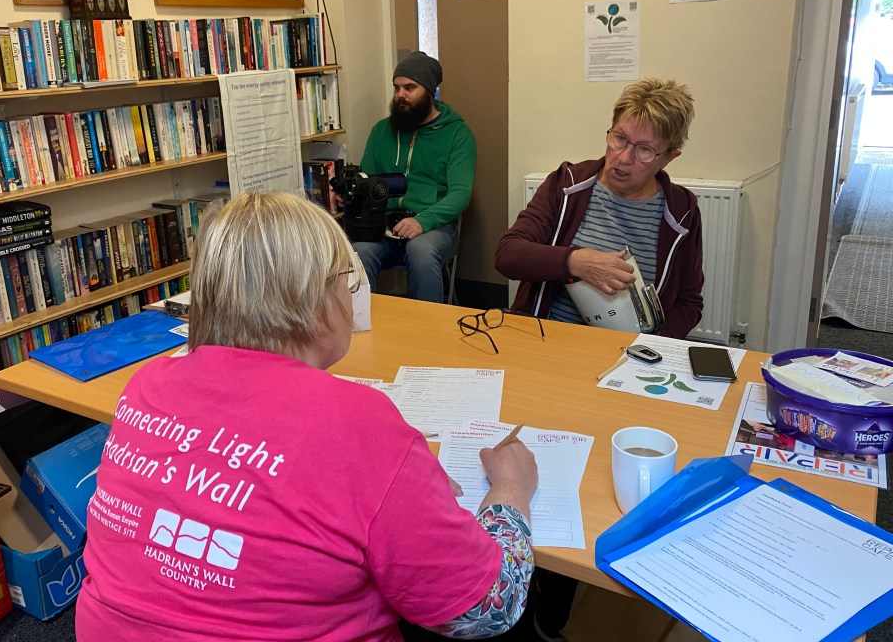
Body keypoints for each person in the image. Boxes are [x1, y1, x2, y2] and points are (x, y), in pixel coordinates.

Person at [76, 191, 537, 642]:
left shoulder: (148, 382)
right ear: (314, 299)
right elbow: (485, 610)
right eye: (347, 280)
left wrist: (400, 485)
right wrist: (511, 487)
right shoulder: (359, 423)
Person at [494, 77, 704, 340]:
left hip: (629, 352)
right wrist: (574, 261)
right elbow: (507, 254)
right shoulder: (567, 184)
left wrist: (652, 344)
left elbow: (689, 302)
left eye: (645, 150)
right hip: (546, 339)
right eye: (620, 138)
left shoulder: (682, 211)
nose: (623, 157)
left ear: (669, 158)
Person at [353, 51, 476, 303]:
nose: (400, 95)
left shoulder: (458, 134)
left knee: (421, 250)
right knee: (358, 252)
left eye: (410, 88)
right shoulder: (381, 131)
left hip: (434, 227)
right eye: (397, 87)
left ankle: (428, 324)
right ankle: (361, 321)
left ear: (429, 91)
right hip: (384, 225)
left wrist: (422, 221)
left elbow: (460, 194)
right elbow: (367, 181)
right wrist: (351, 193)